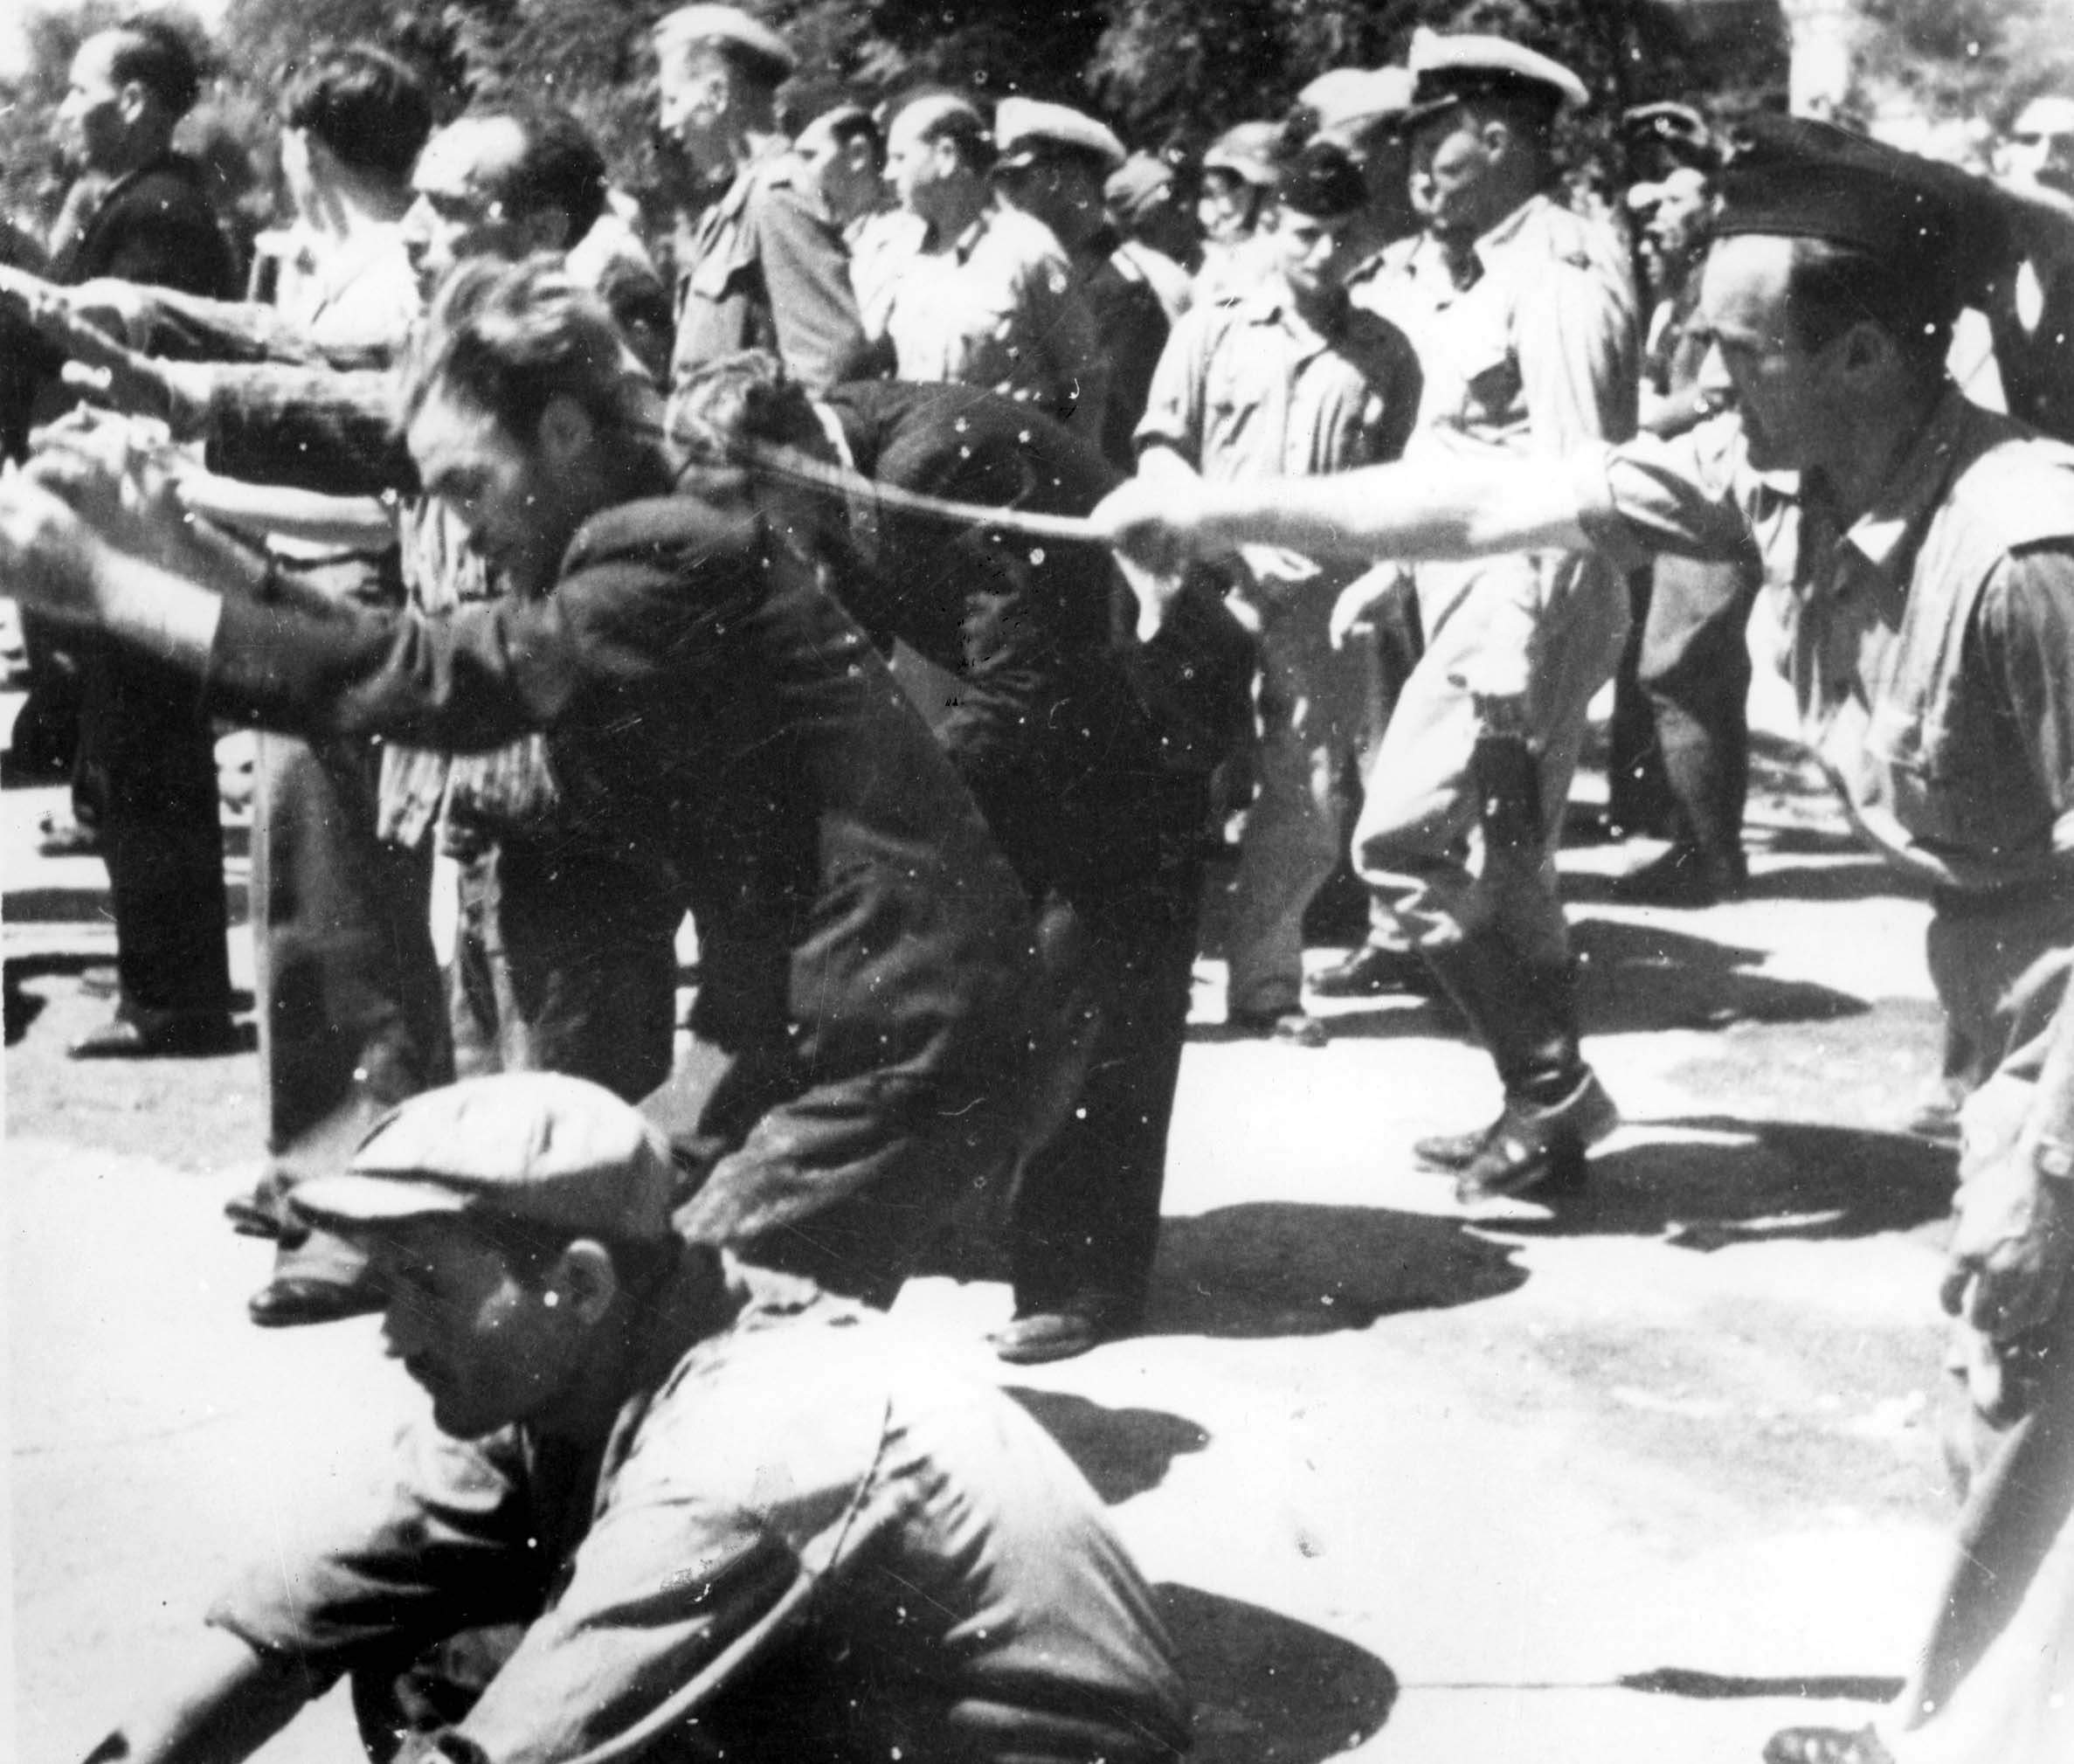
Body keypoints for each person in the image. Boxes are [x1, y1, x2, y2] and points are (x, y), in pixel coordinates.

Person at [1092, 114, 2074, 1764]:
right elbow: (1502, 492)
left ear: (1853, 353)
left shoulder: (2022, 551)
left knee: (2020, 1347)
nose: (1697, 370)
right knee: (2012, 1370)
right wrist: (1216, 510)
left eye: (1732, 346)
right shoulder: (1792, 468)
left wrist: (2045, 1137)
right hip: (1991, 974)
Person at [6, 255, 1056, 1309]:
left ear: (561, 431)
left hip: (899, 1030)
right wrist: (173, 550)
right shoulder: (635, 538)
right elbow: (401, 651)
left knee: (670, 1321)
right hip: (801, 1016)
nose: (460, 522)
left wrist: (112, 587)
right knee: (579, 1254)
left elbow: (432, 684)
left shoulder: (665, 551)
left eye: (469, 483)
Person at [72, 1072, 1195, 1764]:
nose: (393, 1337)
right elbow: (300, 1610)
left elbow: (516, 1749)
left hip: (1017, 1749)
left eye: (425, 1285)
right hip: (860, 1711)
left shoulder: (748, 1444)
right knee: (425, 1642)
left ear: (578, 1281)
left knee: (491, 1694)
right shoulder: (581, 1351)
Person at [668, 351, 1253, 1362]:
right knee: (958, 972)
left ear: (797, 459)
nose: (755, 535)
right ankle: (955, 1210)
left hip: (1138, 714)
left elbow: (1026, 682)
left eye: (753, 505)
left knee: (1092, 988)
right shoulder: (833, 466)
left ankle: (1082, 1279)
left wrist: (887, 808)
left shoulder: (952, 461)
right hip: (1038, 716)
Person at [1296, 29, 1639, 1196]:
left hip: (1523, 601)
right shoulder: (1460, 268)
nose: (1413, 163)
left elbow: (1574, 478)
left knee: (1397, 847)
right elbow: (1456, 458)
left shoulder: (1558, 271)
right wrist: (1390, 566)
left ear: (1494, 136)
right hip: (1460, 591)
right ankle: (1533, 1115)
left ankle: (1551, 1091)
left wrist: (1512, 642)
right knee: (1510, 867)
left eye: (1429, 135)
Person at [1133, 137, 1422, 1047]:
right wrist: (1213, 536)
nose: (1320, 254)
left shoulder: (1386, 354)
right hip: (1213, 590)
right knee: (1183, 788)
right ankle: (1153, 984)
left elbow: (1400, 493)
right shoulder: (1214, 325)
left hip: (1323, 607)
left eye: (1339, 236)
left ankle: (1265, 986)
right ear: (1271, 229)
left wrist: (1382, 576)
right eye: (1302, 233)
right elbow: (1160, 445)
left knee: (1308, 796)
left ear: (1364, 236)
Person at [42, 16, 243, 1058]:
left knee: (146, 752)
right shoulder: (141, 199)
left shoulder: (156, 210)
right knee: (129, 751)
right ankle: (163, 987)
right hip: (125, 510)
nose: (63, 112)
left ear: (133, 101)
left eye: (81, 92)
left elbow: (137, 359)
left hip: (134, 513)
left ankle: (175, 1001)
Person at [1612, 156, 1766, 909]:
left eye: (1676, 198)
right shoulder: (1683, 281)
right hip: (1683, 485)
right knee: (1684, 667)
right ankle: (1700, 845)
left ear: (1714, 202)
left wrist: (1614, 421)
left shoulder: (1721, 279)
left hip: (1712, 491)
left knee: (1683, 665)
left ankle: (1709, 856)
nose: (1658, 214)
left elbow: (1711, 392)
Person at [653, 3, 870, 392]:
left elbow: (828, 369)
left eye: (672, 101)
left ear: (717, 94)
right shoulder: (733, 208)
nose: (667, 123)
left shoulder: (776, 196)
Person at [879, 91, 1110, 445]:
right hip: (927, 476)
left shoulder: (1026, 249)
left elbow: (1084, 379)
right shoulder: (905, 256)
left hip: (1012, 482)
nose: (889, 173)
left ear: (945, 156)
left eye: (899, 157)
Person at [992, 97, 1171, 471]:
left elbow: (1119, 430)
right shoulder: (1035, 274)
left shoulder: (1120, 291)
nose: (1008, 196)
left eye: (1021, 179)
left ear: (1071, 182)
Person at [794, 99, 919, 332]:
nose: (800, 172)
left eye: (810, 157)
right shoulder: (831, 240)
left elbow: (867, 332)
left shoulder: (903, 235)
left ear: (857, 154)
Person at [1190, 121, 1283, 304]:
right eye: (1210, 193)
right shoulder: (1218, 255)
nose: (1225, 205)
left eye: (1236, 182)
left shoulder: (1276, 239)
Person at [1103, 151, 1193, 322]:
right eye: (1172, 202)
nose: (1184, 207)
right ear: (1140, 220)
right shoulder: (1166, 278)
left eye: (1182, 194)